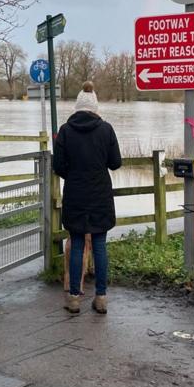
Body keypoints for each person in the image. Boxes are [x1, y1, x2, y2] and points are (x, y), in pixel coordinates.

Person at [53, 81, 122, 314]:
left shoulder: (65, 131)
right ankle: (101, 297)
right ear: (95, 107)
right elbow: (116, 163)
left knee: (77, 243)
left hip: (75, 193)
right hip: (100, 195)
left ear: (76, 107)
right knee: (100, 244)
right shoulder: (106, 129)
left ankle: (73, 298)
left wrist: (74, 174)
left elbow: (58, 167)